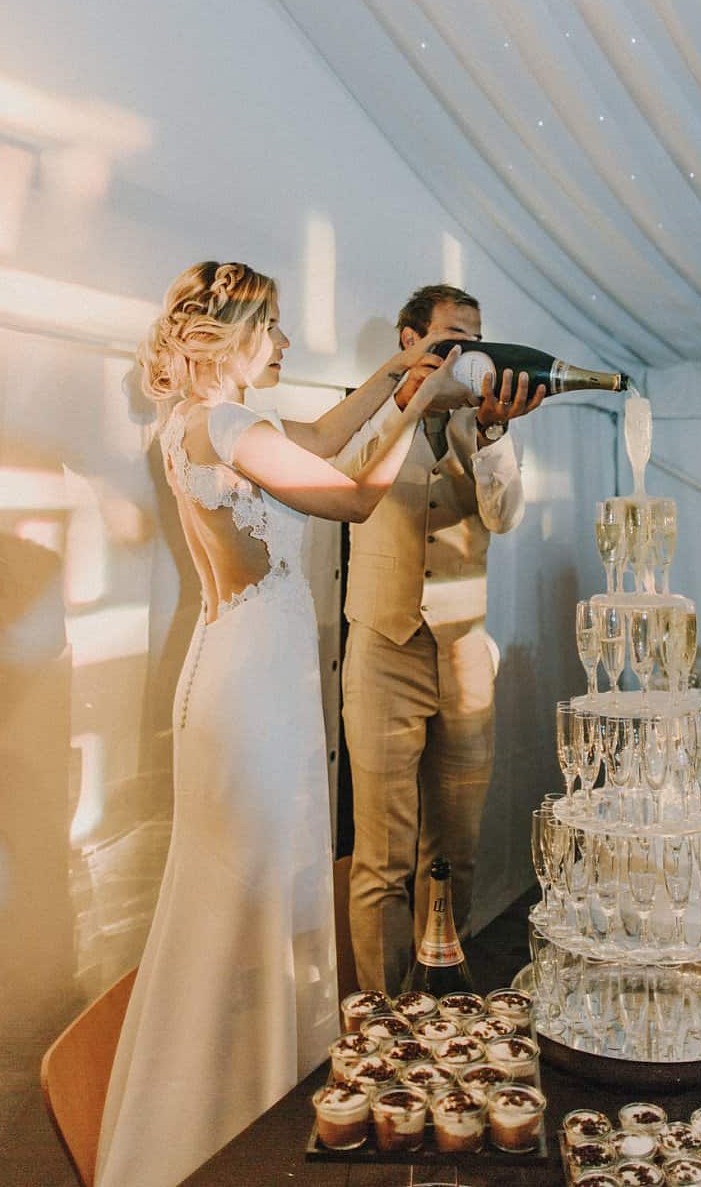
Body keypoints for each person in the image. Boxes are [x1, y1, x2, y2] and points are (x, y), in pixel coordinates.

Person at [95, 261, 460, 1187]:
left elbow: (327, 433)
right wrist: (419, 408)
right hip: (251, 689)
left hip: (233, 670)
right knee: (256, 894)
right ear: (238, 334)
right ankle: (239, 1127)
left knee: (235, 895)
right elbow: (350, 494)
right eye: (278, 329)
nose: (288, 345)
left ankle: (234, 1113)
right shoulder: (226, 424)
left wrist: (399, 370)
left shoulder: (201, 426)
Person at [336, 284, 546, 994]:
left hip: (463, 654)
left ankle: (443, 1002)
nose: (466, 351)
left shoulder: (484, 422)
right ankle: (383, 1024)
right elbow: (345, 476)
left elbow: (507, 514)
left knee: (454, 848)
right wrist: (406, 401)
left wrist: (492, 435)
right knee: (381, 858)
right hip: (382, 649)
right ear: (408, 339)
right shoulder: (366, 407)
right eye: (450, 337)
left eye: (473, 338)